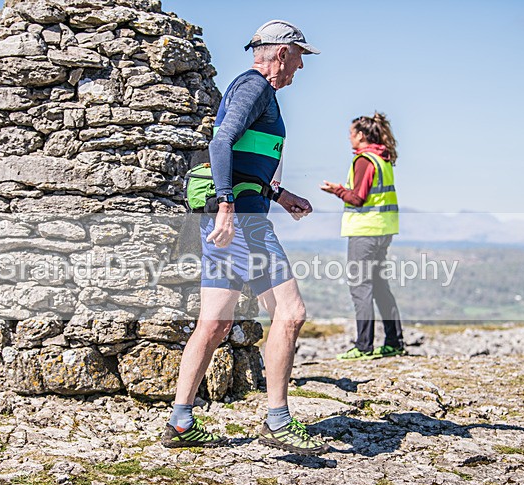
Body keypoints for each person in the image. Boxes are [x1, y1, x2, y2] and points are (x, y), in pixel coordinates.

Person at [161, 20, 330, 455]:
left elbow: (243, 161)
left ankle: (180, 422)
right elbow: (221, 143)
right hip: (242, 223)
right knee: (290, 313)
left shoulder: (257, 90)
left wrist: (279, 193)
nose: (300, 67)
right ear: (280, 52)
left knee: (214, 323)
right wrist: (227, 205)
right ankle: (277, 420)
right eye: (298, 57)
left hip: (235, 218)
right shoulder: (254, 87)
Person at [321, 113, 406, 361]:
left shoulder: (364, 160)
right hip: (384, 229)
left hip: (365, 231)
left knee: (361, 288)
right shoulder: (383, 159)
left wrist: (336, 190)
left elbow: (358, 198)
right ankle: (394, 342)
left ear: (360, 135)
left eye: (351, 132)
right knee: (379, 286)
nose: (349, 137)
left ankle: (364, 346)